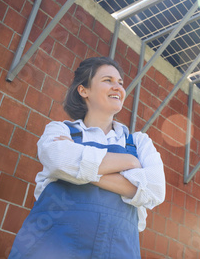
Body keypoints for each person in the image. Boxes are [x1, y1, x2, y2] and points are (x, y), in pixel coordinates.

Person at [9, 56, 166, 258]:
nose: (118, 87)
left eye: (120, 83)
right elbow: (59, 161)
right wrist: (129, 163)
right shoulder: (59, 129)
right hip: (51, 246)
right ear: (84, 90)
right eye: (108, 80)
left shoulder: (139, 142)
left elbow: (155, 189)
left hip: (117, 250)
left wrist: (78, 170)